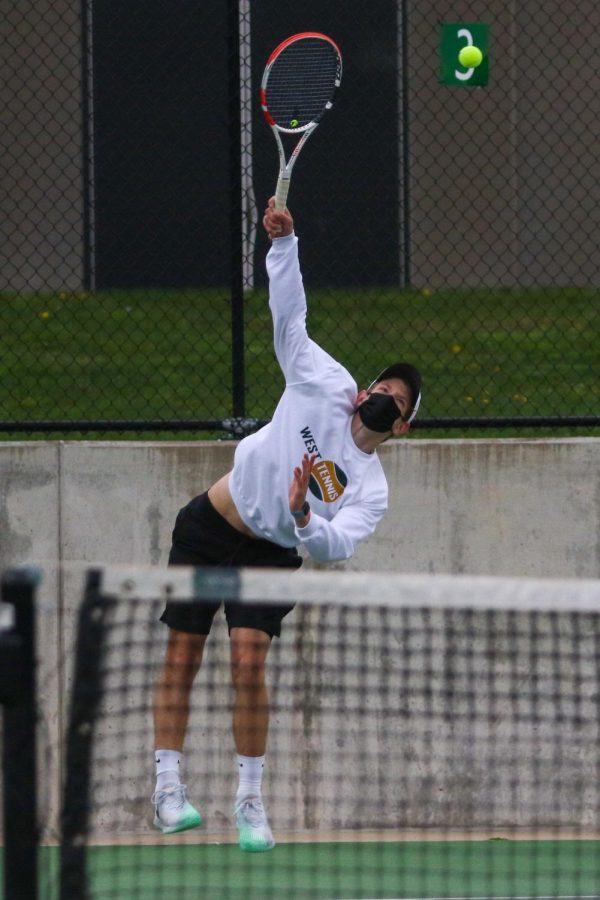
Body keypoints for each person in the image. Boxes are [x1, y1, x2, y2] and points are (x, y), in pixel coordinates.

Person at [151, 197, 422, 852]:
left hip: (274, 553)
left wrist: (304, 515)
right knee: (183, 653)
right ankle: (167, 789)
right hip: (211, 524)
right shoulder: (323, 380)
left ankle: (249, 799)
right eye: (383, 385)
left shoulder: (370, 489)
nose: (384, 394)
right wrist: (283, 244)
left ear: (403, 425)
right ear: (363, 391)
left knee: (248, 663)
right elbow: (289, 318)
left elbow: (335, 545)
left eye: (400, 399)